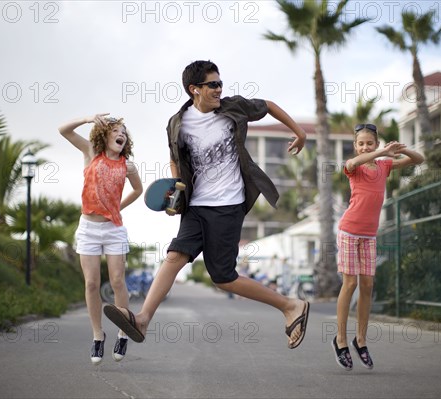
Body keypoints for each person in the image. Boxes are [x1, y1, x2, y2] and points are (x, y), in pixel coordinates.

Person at [105, 60, 310, 349]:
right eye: (212, 84)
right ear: (194, 89)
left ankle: (290, 305)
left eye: (220, 83)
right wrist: (177, 189)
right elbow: (175, 159)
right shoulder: (177, 123)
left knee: (224, 278)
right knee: (175, 256)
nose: (219, 89)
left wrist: (300, 132)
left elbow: (269, 105)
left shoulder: (233, 107)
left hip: (228, 204)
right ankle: (142, 320)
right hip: (196, 205)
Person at [332, 123, 424, 371]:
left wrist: (399, 149)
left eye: (369, 143)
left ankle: (360, 340)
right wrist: (381, 152)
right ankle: (340, 339)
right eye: (360, 143)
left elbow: (419, 159)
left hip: (369, 235)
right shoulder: (354, 166)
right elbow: (352, 164)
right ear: (355, 146)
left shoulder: (383, 166)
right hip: (349, 231)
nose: (365, 147)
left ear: (376, 142)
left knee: (368, 285)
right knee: (350, 283)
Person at [59, 113, 143, 365]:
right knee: (92, 284)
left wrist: (118, 207)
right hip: (88, 229)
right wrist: (86, 119)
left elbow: (138, 190)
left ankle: (123, 331)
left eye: (124, 132)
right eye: (116, 130)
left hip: (114, 228)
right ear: (105, 135)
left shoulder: (127, 165)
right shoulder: (91, 152)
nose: (121, 134)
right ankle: (98, 335)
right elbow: (63, 129)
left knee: (117, 280)